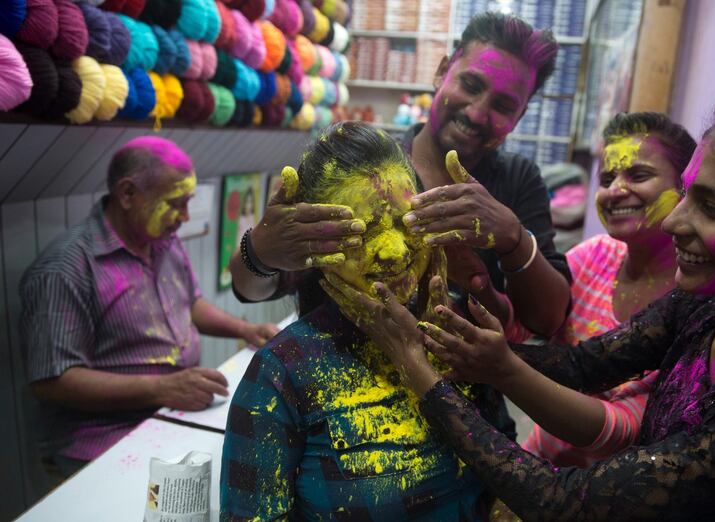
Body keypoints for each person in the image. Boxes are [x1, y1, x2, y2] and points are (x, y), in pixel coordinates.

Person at [323, 79, 715, 519]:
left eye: (712, 208)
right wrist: (490, 351)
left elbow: (563, 502)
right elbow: (583, 365)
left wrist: (423, 372)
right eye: (689, 195)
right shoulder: (705, 307)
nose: (677, 221)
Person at [230, 11, 572, 340]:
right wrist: (259, 250)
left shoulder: (517, 180)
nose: (477, 112)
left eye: (503, 106)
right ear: (442, 71)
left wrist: (512, 236)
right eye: (470, 84)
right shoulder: (358, 171)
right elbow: (253, 290)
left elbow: (548, 321)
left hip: (455, 392)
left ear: (521, 114)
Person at [220, 122, 487, 521]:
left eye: (404, 222)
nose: (394, 251)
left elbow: (503, 475)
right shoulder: (282, 373)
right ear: (314, 240)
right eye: (363, 231)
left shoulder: (458, 333)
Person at [19, 136, 279, 480]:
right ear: (128, 194)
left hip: (170, 412)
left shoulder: (162, 242)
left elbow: (190, 304)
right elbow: (53, 382)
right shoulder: (66, 268)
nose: (185, 217)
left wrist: (244, 329)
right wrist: (161, 387)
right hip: (99, 442)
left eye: (189, 203)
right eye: (175, 203)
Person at [522, 112, 696, 467]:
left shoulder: (697, 293)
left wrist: (502, 368)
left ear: (686, 186)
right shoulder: (595, 254)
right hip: (535, 465)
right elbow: (523, 324)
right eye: (607, 178)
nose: (615, 191)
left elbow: (621, 432)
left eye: (639, 175)